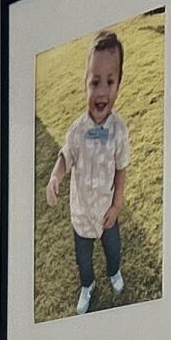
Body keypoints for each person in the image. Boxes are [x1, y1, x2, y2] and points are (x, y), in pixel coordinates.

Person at [45, 30, 131, 314]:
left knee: (113, 249)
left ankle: (114, 271)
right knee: (83, 259)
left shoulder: (119, 130)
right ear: (85, 85)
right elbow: (65, 155)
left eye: (110, 81)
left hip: (107, 213)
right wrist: (56, 176)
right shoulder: (78, 130)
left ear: (119, 84)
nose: (102, 91)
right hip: (82, 215)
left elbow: (120, 171)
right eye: (95, 82)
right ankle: (88, 285)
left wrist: (117, 205)